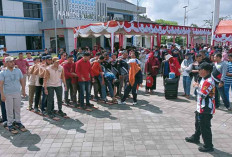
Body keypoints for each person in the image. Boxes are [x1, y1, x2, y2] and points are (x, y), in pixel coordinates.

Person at [185, 62, 215, 152]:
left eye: (200, 69)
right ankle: (196, 137)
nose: (198, 71)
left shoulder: (209, 81)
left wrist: (196, 87)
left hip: (206, 108)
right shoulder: (203, 78)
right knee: (198, 124)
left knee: (205, 127)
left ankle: (208, 145)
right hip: (200, 106)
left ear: (206, 71)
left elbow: (203, 94)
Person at [0, 56, 27, 134]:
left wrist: (23, 90)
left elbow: (22, 80)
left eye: (13, 61)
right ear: (6, 63)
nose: (13, 63)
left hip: (17, 92)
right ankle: (10, 124)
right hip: (8, 94)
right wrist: (2, 94)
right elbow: (1, 85)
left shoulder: (18, 71)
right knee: (9, 109)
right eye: (11, 62)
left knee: (17, 108)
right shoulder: (3, 72)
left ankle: (18, 122)